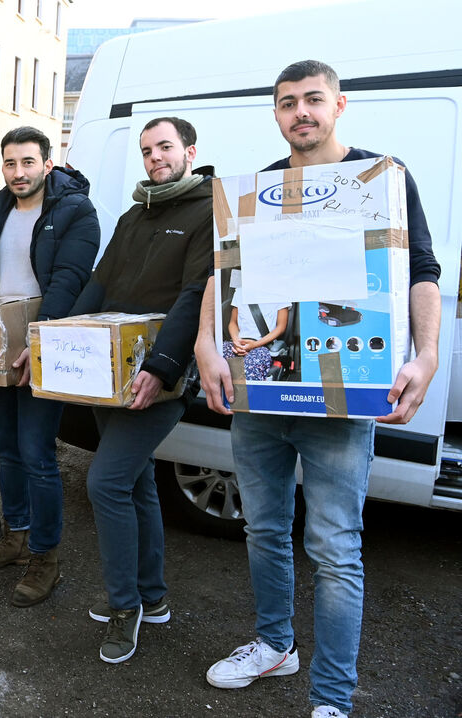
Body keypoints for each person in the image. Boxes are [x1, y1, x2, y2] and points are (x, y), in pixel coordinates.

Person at [197, 61, 441, 718]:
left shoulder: (380, 178)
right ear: (276, 114)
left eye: (312, 100)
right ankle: (276, 645)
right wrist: (202, 344)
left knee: (335, 548)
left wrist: (427, 356)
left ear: (339, 105)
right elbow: (224, 277)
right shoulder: (258, 189)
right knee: (264, 530)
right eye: (286, 103)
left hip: (341, 397)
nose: (299, 112)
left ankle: (332, 700)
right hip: (265, 389)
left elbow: (421, 270)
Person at [64, 117, 213, 663]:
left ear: (189, 152)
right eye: (148, 150)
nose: (155, 157)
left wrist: (163, 366)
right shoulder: (134, 214)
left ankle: (125, 607)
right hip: (112, 375)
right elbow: (100, 284)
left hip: (162, 378)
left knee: (105, 484)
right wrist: (54, 340)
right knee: (137, 482)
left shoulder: (207, 212)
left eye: (165, 147)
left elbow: (196, 294)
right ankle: (154, 598)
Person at [0, 126, 99, 607]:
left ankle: (45, 555)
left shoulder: (75, 210)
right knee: (6, 448)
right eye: (10, 164)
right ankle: (16, 536)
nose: (18, 172)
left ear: (47, 164)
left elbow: (69, 279)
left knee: (37, 455)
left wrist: (38, 344)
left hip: (43, 349)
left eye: (28, 162)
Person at [223, 293, 290, 381]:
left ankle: (244, 394)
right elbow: (233, 322)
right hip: (239, 343)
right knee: (218, 354)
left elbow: (281, 327)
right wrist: (236, 341)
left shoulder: (280, 293)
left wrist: (254, 345)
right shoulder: (240, 291)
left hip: (262, 345)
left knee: (250, 366)